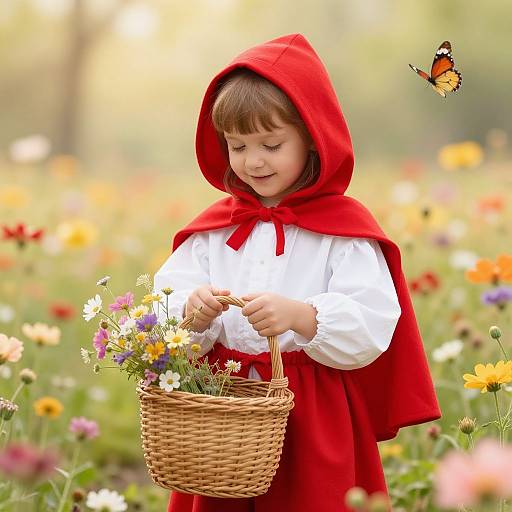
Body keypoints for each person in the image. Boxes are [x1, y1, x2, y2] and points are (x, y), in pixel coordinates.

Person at [154, 33, 441, 512]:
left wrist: (305, 316)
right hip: (222, 411)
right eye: (237, 145)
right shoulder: (213, 231)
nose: (254, 161)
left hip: (312, 408)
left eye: (271, 143)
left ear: (311, 135)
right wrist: (191, 310)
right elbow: (162, 301)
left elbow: (372, 319)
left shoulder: (342, 233)